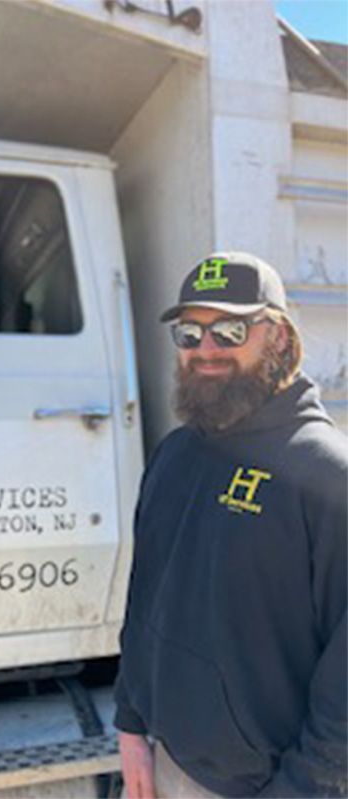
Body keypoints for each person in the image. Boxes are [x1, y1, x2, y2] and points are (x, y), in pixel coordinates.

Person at [114, 252, 347, 798]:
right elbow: (145, 597)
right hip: (165, 765)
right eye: (190, 333)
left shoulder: (326, 475)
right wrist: (129, 723)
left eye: (230, 328)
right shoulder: (175, 454)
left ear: (281, 339)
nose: (206, 350)